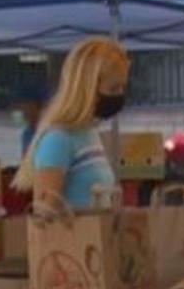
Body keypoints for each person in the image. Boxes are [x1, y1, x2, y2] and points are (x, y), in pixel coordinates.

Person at [11, 38, 131, 211]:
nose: (120, 95)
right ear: (88, 88)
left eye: (122, 87)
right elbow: (44, 217)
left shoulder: (89, 134)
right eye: (113, 88)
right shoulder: (58, 139)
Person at [10, 81, 48, 155]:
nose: (19, 110)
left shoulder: (50, 133)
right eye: (17, 106)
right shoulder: (27, 134)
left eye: (21, 105)